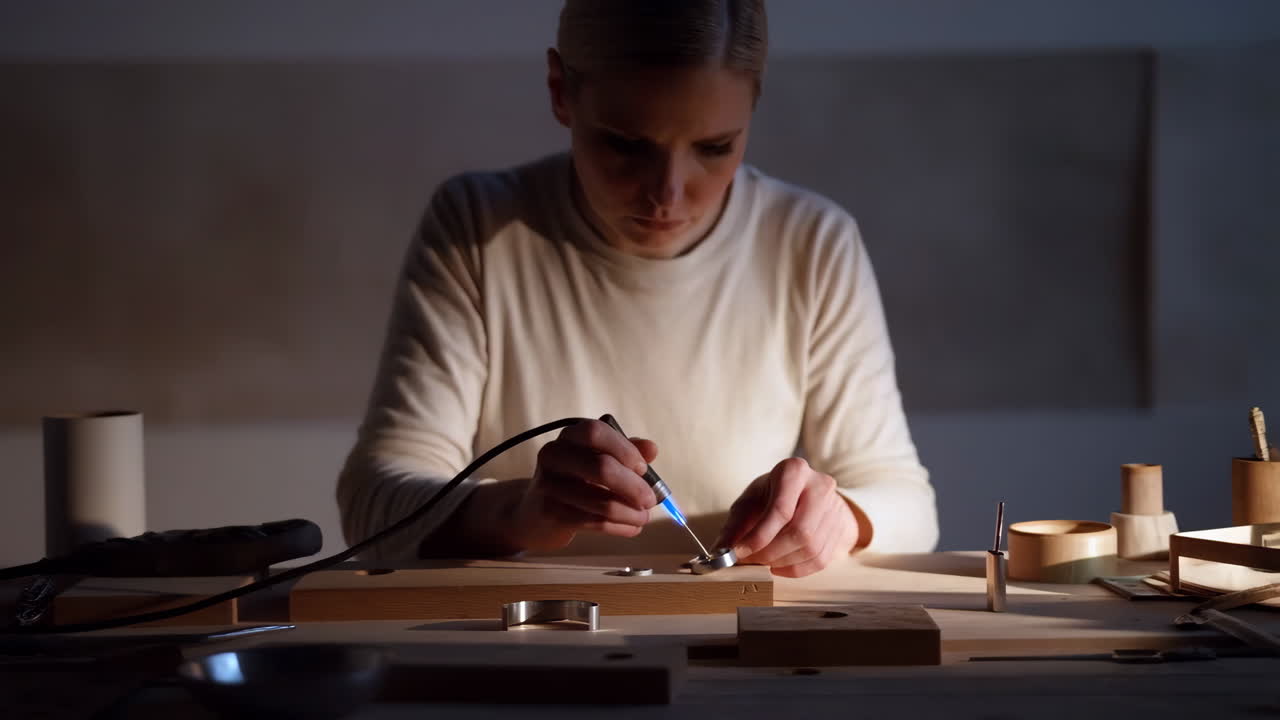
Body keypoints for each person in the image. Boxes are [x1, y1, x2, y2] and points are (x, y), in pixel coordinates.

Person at [337, 0, 938, 577]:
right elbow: (373, 504)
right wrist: (521, 512)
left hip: (735, 632)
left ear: (753, 106)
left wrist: (838, 518)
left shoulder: (811, 243)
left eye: (714, 148)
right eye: (626, 145)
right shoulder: (477, 227)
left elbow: (906, 502)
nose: (666, 195)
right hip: (537, 636)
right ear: (560, 90)